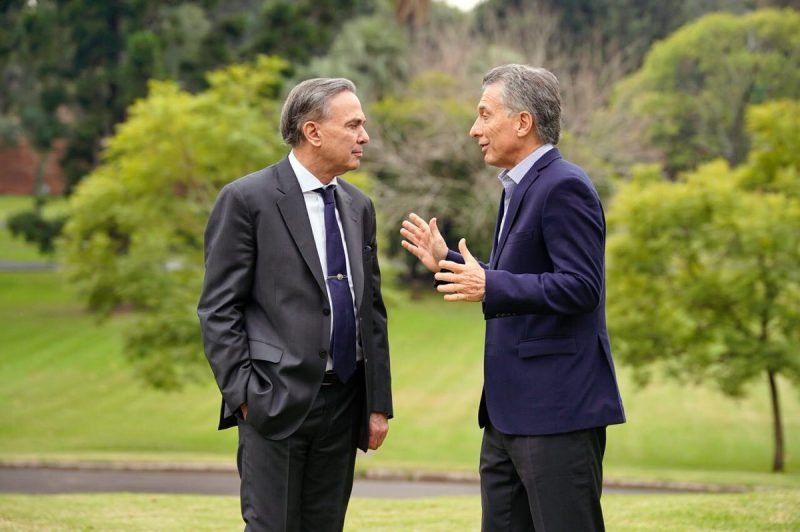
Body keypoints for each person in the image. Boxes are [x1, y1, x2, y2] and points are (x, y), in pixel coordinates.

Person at [401, 64, 625, 531]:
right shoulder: (516, 188)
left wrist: (490, 284)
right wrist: (450, 263)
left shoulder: (564, 185)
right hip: (506, 416)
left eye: (485, 115)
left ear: (522, 123)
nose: (474, 129)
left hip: (557, 412)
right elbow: (516, 277)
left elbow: (582, 286)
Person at [198, 77, 392, 532]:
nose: (365, 136)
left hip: (345, 404)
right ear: (313, 131)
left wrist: (377, 402)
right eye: (354, 125)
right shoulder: (247, 199)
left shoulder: (359, 206)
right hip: (274, 401)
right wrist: (245, 396)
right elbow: (218, 309)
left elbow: (372, 311)